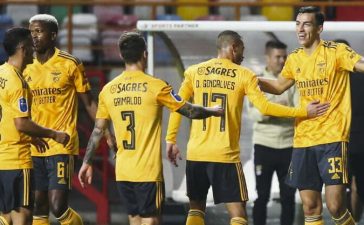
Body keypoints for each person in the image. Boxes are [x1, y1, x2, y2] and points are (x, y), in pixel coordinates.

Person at [165, 30, 330, 225]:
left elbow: (179, 107)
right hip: (224, 155)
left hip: (196, 153)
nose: (243, 56)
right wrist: (304, 112)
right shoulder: (243, 74)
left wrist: (171, 139)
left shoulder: (194, 72)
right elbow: (265, 107)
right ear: (233, 48)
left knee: (196, 209)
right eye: (242, 50)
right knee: (238, 214)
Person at [77, 31, 224, 225]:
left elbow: (98, 131)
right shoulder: (156, 86)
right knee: (151, 220)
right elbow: (190, 111)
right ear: (145, 54)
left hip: (123, 171)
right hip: (147, 171)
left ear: (121, 55)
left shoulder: (108, 90)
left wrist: (86, 162)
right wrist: (213, 110)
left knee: (134, 219)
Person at [258, 6, 364, 225]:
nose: (300, 29)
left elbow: (361, 64)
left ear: (319, 28)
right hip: (303, 139)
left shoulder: (336, 52)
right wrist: (250, 80)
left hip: (333, 138)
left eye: (306, 24)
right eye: (297, 24)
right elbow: (278, 87)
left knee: (335, 206)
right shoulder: (295, 59)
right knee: (310, 207)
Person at [23, 14, 105, 225]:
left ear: (53, 35)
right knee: (38, 204)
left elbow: (88, 103)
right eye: (31, 31)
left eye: (39, 31)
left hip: (62, 144)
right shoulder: (25, 66)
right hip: (34, 145)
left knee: (57, 206)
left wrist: (105, 131)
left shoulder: (70, 63)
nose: (34, 36)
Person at [0, 27, 70, 225]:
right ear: (23, 48)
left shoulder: (1, 73)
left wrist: (32, 137)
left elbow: (6, 118)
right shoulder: (17, 81)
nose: (35, 48)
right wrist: (53, 134)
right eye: (31, 45)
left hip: (1, 158)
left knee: (6, 216)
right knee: (23, 216)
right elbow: (21, 122)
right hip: (17, 160)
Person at [247, 40, 296, 225]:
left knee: (288, 197)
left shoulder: (292, 81)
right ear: (267, 58)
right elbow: (254, 114)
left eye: (284, 56)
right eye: (278, 57)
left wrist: (269, 110)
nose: (282, 60)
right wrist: (281, 110)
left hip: (289, 147)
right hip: (263, 146)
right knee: (262, 197)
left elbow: (298, 111)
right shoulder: (256, 81)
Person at [334, 39, 364, 223]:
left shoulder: (327, 80)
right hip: (356, 142)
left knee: (339, 188)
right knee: (357, 188)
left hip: (337, 142)